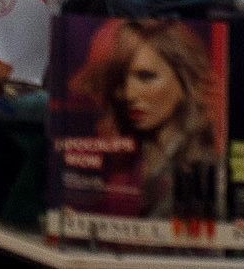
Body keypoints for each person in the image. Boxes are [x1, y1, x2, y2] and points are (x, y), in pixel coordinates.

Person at [67, 19, 222, 219]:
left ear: (185, 80)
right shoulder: (127, 162)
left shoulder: (205, 167)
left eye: (146, 76)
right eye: (120, 80)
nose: (129, 94)